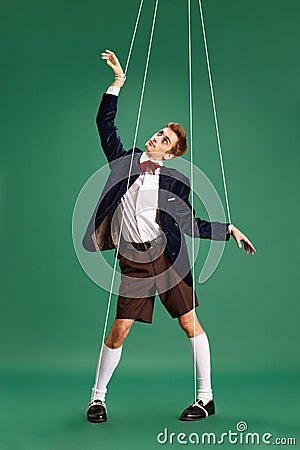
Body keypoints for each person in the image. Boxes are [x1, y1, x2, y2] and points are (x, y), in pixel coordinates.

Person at [83, 50, 256, 423]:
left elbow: (191, 223)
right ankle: (97, 398)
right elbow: (105, 125)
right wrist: (117, 81)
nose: (157, 136)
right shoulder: (125, 160)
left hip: (168, 257)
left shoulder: (176, 182)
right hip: (133, 258)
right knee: (119, 330)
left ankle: (206, 398)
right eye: (159, 132)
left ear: (172, 153)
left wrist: (228, 230)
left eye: (164, 139)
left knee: (189, 323)